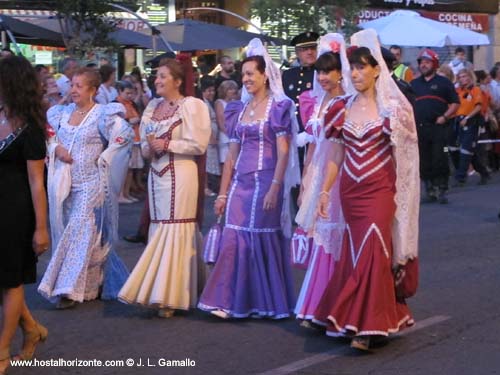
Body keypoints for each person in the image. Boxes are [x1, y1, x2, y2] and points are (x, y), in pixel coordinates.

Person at [312, 29, 420, 351]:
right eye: (352, 67)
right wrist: (324, 192)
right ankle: (360, 317)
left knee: (374, 248)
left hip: (381, 190)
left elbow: (407, 160)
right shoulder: (339, 108)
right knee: (356, 252)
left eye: (362, 67)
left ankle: (369, 325)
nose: (356, 73)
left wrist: (405, 199)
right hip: (350, 191)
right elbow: (335, 153)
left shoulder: (394, 110)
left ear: (377, 70)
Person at [198, 38, 300, 320]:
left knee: (252, 239)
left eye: (250, 74)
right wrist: (222, 193)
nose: (245, 79)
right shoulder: (238, 110)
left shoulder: (278, 108)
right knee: (233, 237)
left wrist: (275, 188)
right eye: (243, 75)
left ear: (265, 75)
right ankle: (232, 300)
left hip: (266, 181)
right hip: (241, 183)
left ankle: (250, 302)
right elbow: (230, 156)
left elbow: (283, 153)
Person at [118, 58, 211, 318]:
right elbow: (147, 147)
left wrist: (168, 145)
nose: (157, 80)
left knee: (176, 225)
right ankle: (165, 289)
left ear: (178, 81)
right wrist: (150, 147)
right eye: (156, 76)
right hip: (157, 175)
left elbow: (199, 144)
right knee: (160, 225)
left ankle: (171, 294)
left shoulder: (192, 106)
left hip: (181, 172)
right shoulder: (152, 108)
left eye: (162, 76)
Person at [38, 67, 133, 309]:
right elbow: (49, 137)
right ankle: (92, 285)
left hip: (92, 184)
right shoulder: (61, 113)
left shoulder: (104, 114)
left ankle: (65, 288)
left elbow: (125, 136)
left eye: (79, 86)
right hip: (67, 184)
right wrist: (56, 149)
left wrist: (107, 157)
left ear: (92, 89)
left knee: (79, 229)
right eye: (72, 85)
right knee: (83, 234)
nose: (73, 90)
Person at [294, 33, 352, 324]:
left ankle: (337, 306)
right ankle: (318, 304)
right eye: (319, 71)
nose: (323, 76)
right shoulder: (316, 102)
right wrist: (308, 182)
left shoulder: (346, 101)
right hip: (319, 170)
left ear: (342, 72)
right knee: (321, 236)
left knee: (335, 235)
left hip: (341, 172)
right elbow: (314, 146)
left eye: (328, 70)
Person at [0, 56, 50, 374]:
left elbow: (37, 182)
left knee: (11, 282)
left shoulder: (30, 128)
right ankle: (30, 327)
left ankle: (2, 351)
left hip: (15, 214)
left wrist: (41, 228)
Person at [411, 49, 459, 204]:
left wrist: (444, 117)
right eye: (421, 62)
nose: (423, 65)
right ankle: (429, 188)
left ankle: (442, 189)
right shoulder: (414, 84)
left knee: (440, 157)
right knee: (424, 160)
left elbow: (455, 103)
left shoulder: (444, 83)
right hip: (420, 129)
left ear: (434, 63)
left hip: (439, 129)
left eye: (427, 62)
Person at [450, 69, 488, 186]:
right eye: (460, 77)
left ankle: (460, 177)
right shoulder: (458, 91)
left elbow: (478, 107)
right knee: (453, 149)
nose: (462, 79)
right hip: (458, 122)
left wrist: (467, 118)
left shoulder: (475, 90)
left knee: (466, 149)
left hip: (471, 122)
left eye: (464, 76)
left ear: (470, 77)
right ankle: (484, 172)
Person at [283, 31, 319, 132]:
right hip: (291, 130)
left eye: (313, 48)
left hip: (313, 131)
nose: (310, 52)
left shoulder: (321, 73)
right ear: (297, 52)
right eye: (305, 49)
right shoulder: (288, 75)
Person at [114, 80, 142, 203]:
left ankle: (126, 193)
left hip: (134, 138)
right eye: (127, 93)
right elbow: (113, 122)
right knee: (122, 168)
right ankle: (119, 194)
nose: (130, 96)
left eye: (131, 93)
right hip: (122, 139)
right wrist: (130, 121)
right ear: (120, 92)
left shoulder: (132, 104)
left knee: (131, 169)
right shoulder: (115, 104)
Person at [201, 76, 220, 196]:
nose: (211, 93)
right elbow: (205, 122)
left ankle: (208, 186)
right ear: (203, 91)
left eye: (213, 90)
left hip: (212, 133)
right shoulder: (203, 104)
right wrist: (212, 136)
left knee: (209, 162)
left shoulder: (210, 103)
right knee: (206, 163)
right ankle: (205, 187)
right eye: (209, 90)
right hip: (208, 136)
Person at [215, 80, 239, 167]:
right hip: (225, 137)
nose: (233, 91)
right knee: (225, 163)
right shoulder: (219, 102)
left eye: (234, 89)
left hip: (234, 136)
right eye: (230, 89)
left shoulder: (235, 103)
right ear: (224, 91)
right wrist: (231, 135)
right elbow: (221, 122)